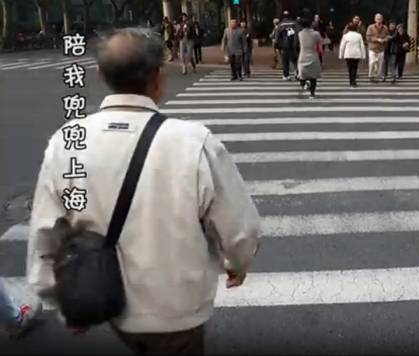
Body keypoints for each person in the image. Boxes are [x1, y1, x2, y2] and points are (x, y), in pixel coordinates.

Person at [27, 27, 260, 355]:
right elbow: (239, 227)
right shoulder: (192, 141)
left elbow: (46, 232)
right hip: (177, 311)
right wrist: (237, 262)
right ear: (158, 77)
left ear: (100, 75)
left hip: (109, 303)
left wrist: (62, 298)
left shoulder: (68, 141)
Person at [297, 17, 323, 99]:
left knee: (301, 74)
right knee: (313, 77)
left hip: (303, 55)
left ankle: (304, 84)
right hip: (313, 55)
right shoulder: (316, 33)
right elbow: (320, 42)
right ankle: (312, 94)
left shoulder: (300, 33)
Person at [339, 22, 367, 88]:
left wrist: (341, 55)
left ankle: (351, 81)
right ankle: (354, 81)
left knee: (349, 68)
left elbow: (342, 46)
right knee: (355, 68)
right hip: (356, 54)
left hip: (348, 54)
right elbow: (362, 46)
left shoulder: (345, 36)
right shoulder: (359, 35)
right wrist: (363, 55)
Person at [276, 11, 300, 80]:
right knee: (295, 60)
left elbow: (277, 36)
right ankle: (297, 73)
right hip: (294, 45)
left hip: (284, 46)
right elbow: (298, 34)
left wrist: (277, 45)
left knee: (285, 61)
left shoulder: (280, 25)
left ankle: (286, 75)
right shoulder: (295, 23)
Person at [365, 14, 389, 83]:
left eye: (380, 18)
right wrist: (377, 39)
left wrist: (385, 39)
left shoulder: (385, 28)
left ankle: (377, 76)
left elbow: (388, 36)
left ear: (382, 19)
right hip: (372, 48)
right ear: (375, 19)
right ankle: (371, 76)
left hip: (381, 48)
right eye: (377, 18)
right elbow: (368, 37)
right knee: (372, 62)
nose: (379, 20)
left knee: (380, 63)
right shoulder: (370, 27)